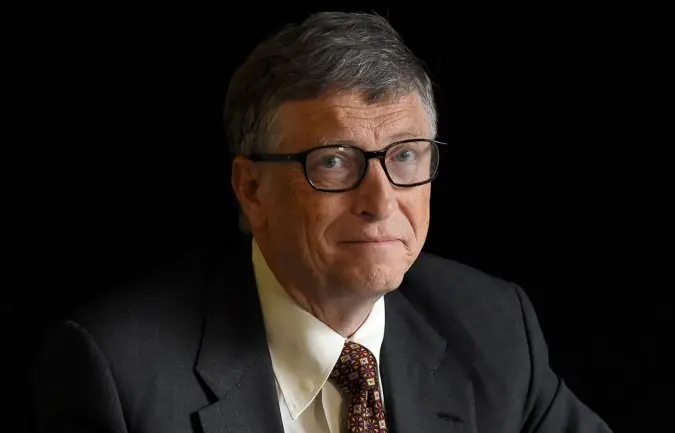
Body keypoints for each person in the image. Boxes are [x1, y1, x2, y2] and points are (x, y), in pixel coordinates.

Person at [34, 11, 613, 433]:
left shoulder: (492, 326)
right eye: (334, 161)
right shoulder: (118, 375)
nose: (381, 201)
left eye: (405, 156)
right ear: (251, 189)